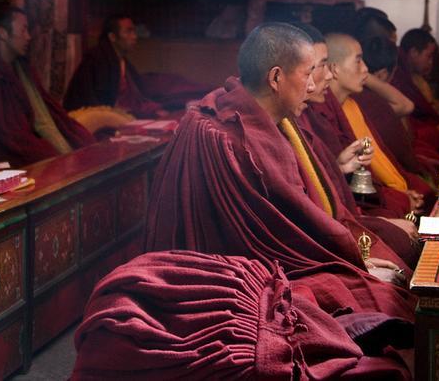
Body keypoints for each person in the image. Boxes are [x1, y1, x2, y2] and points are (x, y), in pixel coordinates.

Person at [145, 23, 416, 321]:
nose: (313, 86)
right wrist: (356, 264)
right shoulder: (238, 138)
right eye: (307, 74)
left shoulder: (264, 120)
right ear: (275, 77)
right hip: (244, 277)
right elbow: (282, 237)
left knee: (387, 277)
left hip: (273, 261)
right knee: (382, 298)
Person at [73, 251, 412, 380]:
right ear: (274, 86)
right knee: (367, 294)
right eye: (310, 84)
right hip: (254, 308)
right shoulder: (228, 135)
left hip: (263, 291)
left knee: (358, 296)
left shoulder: (282, 126)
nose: (313, 87)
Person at [289, 24, 421, 268]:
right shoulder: (283, 123)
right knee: (405, 244)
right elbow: (300, 206)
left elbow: (321, 188)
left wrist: (339, 167)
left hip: (344, 213)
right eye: (319, 68)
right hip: (324, 233)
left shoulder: (319, 111)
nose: (326, 75)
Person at [0, 5, 94, 165]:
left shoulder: (21, 68)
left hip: (28, 144)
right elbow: (5, 135)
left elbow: (47, 114)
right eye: (23, 30)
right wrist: (49, 154)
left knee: (84, 144)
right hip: (1, 158)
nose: (28, 37)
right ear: (2, 33)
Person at [324, 34, 435, 215]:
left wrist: (400, 192)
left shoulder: (353, 106)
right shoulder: (321, 114)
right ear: (334, 69)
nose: (365, 69)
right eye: (358, 61)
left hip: (378, 192)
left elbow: (380, 160)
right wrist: (398, 198)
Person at [357, 36, 439, 178]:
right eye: (357, 63)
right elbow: (406, 106)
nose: (363, 69)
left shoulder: (367, 99)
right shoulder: (364, 101)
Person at [63, 15, 163, 117]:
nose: (134, 36)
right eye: (128, 31)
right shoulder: (97, 58)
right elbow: (92, 99)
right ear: (112, 37)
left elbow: (138, 93)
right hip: (90, 116)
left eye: (134, 31)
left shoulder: (122, 60)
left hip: (116, 113)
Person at [391, 29, 439, 151]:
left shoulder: (415, 77)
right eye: (429, 56)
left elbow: (424, 108)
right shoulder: (396, 74)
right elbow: (416, 115)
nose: (430, 62)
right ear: (414, 52)